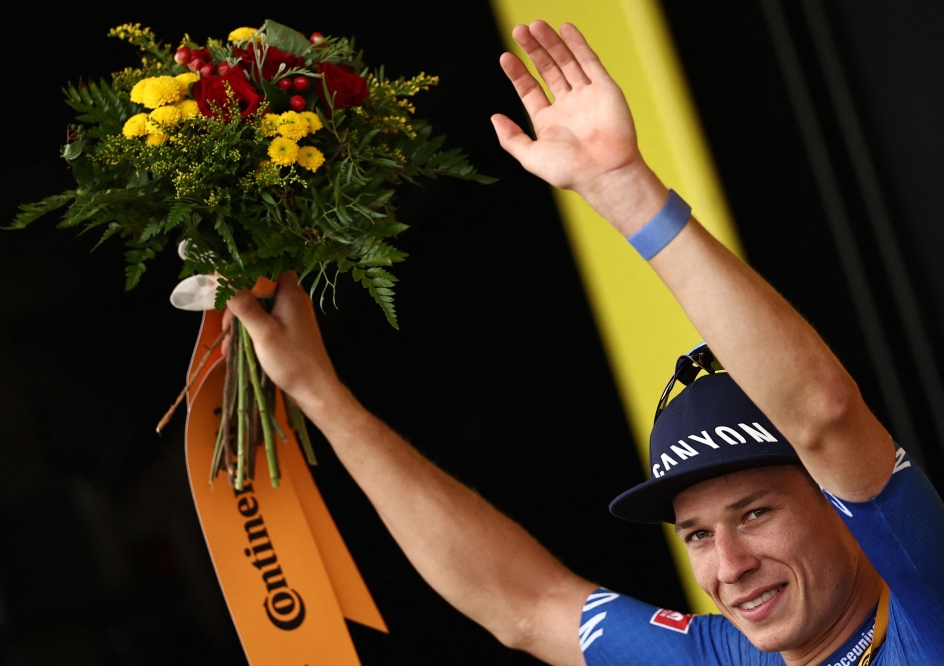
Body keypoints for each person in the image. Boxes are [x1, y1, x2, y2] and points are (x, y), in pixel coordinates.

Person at [226, 20, 943, 666]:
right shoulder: (725, 659)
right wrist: (318, 393)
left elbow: (821, 413)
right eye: (694, 534)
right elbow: (524, 608)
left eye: (755, 513)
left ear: (840, 502)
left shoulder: (928, 602)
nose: (729, 565)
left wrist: (628, 191)